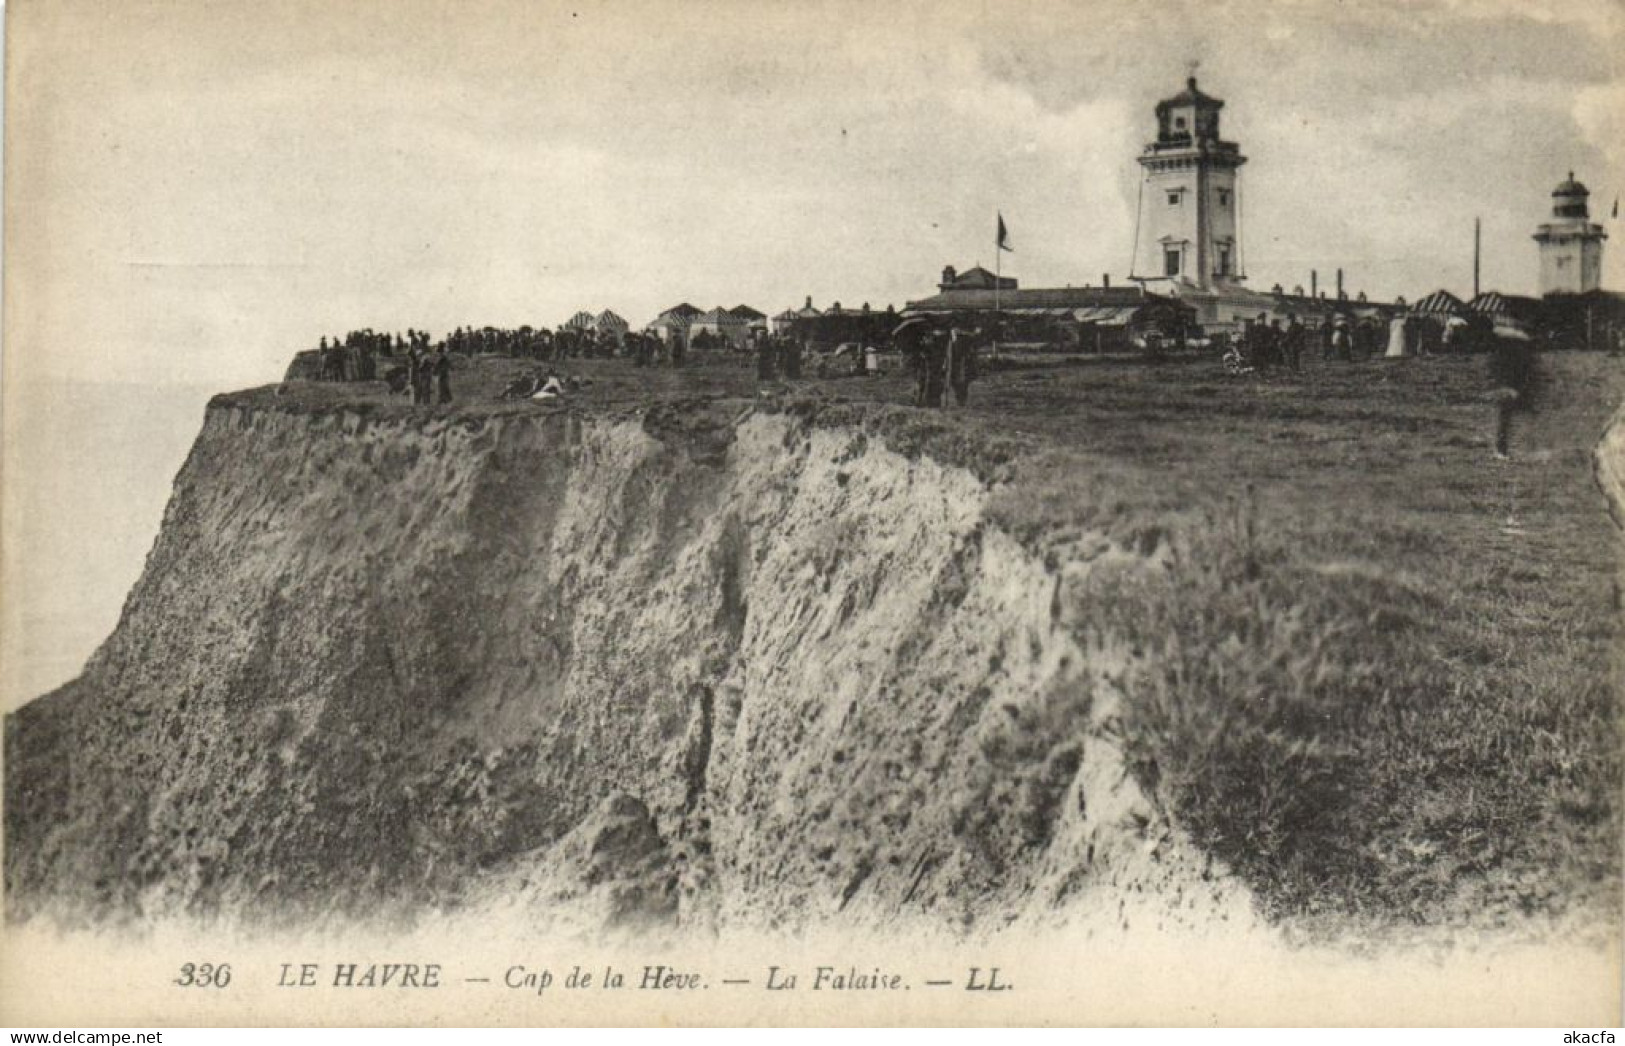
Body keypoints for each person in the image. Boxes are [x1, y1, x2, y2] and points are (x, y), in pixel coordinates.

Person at [946, 329, 978, 406]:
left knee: (964, 377)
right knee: (956, 377)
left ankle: (962, 398)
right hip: (955, 349)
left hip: (965, 347)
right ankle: (959, 397)